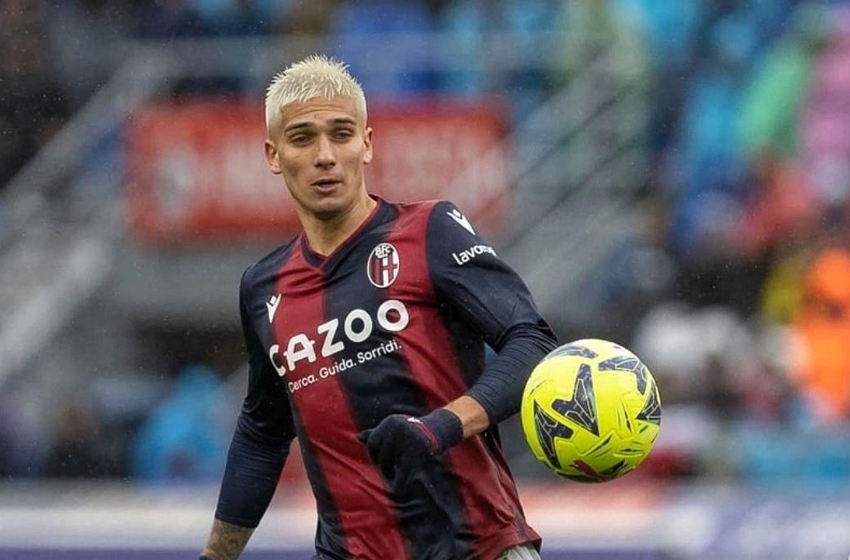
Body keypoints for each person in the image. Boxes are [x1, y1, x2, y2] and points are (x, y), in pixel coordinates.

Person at [199, 54, 558, 560]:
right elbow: (263, 431)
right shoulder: (262, 288)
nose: (325, 155)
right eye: (302, 138)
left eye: (341, 134)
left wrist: (440, 426)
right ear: (274, 155)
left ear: (366, 144)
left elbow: (532, 342)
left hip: (477, 547)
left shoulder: (430, 232)